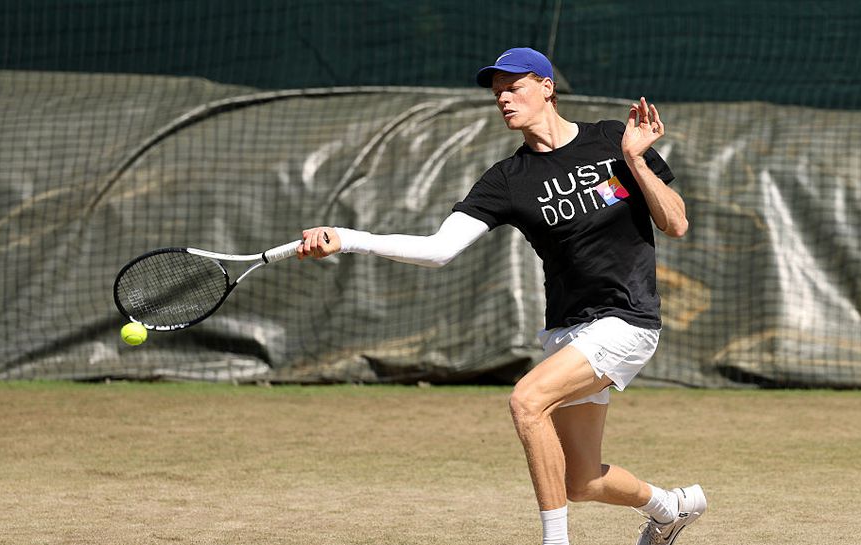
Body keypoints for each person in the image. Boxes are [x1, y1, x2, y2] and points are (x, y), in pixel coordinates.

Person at [296, 47, 706, 545]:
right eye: (498, 93)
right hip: (566, 329)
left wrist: (635, 160)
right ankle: (670, 508)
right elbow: (439, 249)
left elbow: (677, 222)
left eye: (515, 87)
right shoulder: (508, 179)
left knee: (526, 401)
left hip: (627, 319)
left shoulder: (611, 139)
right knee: (582, 481)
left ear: (547, 87)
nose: (505, 99)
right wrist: (347, 237)